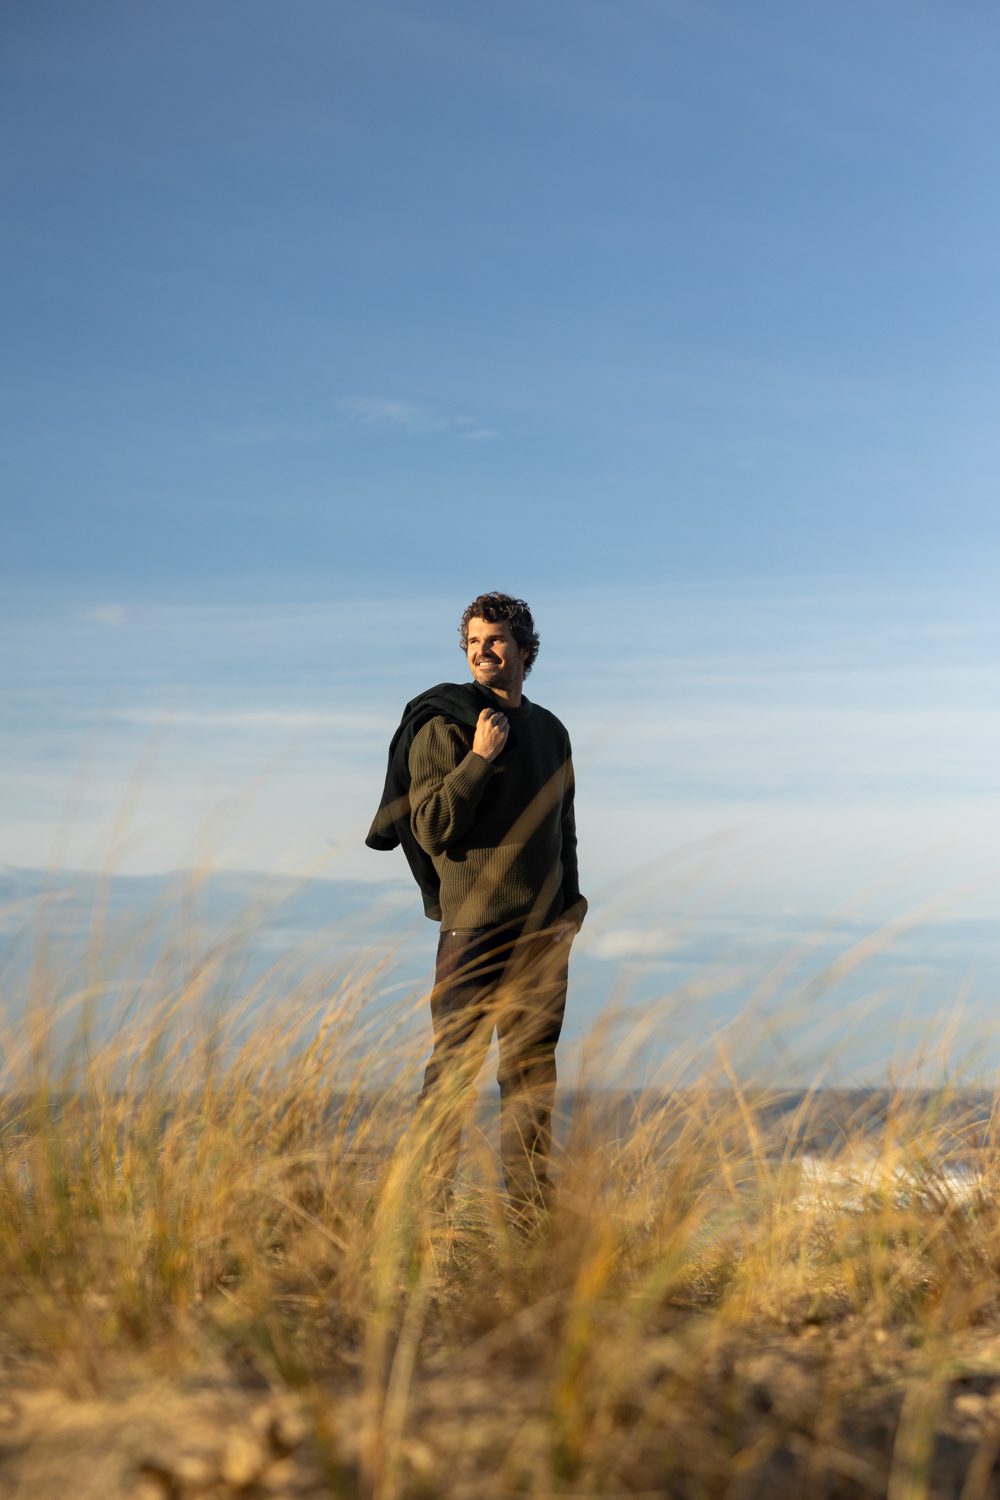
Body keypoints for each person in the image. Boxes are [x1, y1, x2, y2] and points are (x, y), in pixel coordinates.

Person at [367, 591, 586, 1219]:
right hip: (474, 929)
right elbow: (433, 827)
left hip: (544, 931)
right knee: (453, 1075)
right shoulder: (445, 723)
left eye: (495, 641)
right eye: (473, 643)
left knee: (531, 1078)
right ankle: (424, 1216)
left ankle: (528, 1219)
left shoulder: (550, 730)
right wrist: (480, 758)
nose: (483, 652)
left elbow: (561, 825)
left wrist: (572, 905)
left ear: (524, 650)